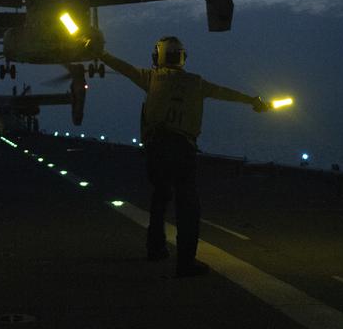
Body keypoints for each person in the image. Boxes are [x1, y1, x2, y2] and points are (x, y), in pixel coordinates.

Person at [96, 36, 268, 277]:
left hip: (156, 148)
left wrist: (101, 54)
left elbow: (123, 68)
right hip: (183, 148)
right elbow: (225, 93)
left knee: (160, 197)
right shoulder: (196, 83)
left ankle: (155, 249)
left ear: (158, 56)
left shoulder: (151, 77)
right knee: (188, 205)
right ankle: (185, 263)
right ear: (182, 56)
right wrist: (253, 101)